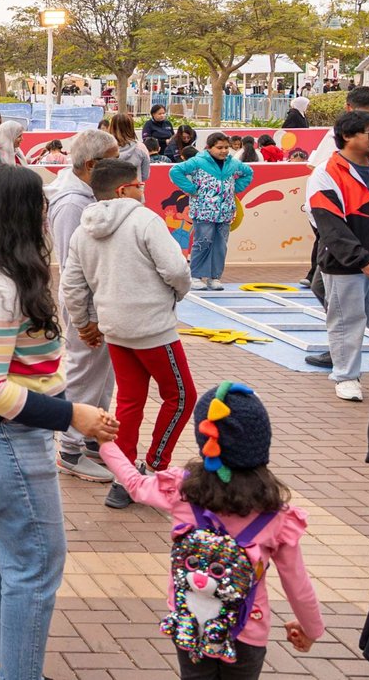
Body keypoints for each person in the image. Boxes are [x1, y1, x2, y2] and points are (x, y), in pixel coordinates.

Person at [0, 165, 120, 680]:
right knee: (36, 562)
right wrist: (71, 415)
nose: (46, 212)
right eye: (39, 203)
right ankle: (18, 671)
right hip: (2, 434)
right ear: (22, 213)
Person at [99, 383, 324, 678]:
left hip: (190, 621)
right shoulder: (275, 515)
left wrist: (104, 442)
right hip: (247, 630)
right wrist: (311, 629)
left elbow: (135, 484)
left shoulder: (182, 491)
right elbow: (297, 583)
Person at [60, 159, 195, 510]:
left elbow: (72, 285)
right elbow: (176, 269)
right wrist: (176, 294)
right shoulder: (144, 220)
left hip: (115, 328)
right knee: (181, 397)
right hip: (153, 328)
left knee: (130, 402)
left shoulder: (83, 228)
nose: (143, 190)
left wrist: (85, 322)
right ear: (124, 190)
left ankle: (123, 479)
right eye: (140, 185)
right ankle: (153, 468)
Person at [48, 128, 122, 485]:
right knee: (84, 372)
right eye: (114, 159)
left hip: (99, 301)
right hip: (85, 304)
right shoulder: (72, 203)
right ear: (92, 164)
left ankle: (93, 439)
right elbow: (71, 266)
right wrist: (84, 318)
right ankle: (70, 448)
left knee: (102, 374)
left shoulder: (91, 197)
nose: (121, 167)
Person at [306, 110, 369, 402]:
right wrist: (362, 259)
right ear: (346, 136)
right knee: (346, 319)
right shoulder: (325, 174)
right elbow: (329, 225)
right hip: (344, 264)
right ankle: (346, 376)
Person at [171, 133, 254, 292]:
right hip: (203, 211)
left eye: (226, 148)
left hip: (225, 213)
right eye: (219, 148)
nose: (223, 151)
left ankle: (214, 277)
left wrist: (235, 189)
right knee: (203, 243)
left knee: (220, 245)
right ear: (209, 148)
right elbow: (175, 171)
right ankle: (195, 276)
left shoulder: (233, 163)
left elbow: (248, 172)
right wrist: (191, 189)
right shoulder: (197, 161)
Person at [111, 113, 151, 181]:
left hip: (111, 189)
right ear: (131, 127)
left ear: (112, 127)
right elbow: (145, 175)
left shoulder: (106, 148)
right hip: (134, 188)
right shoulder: (140, 147)